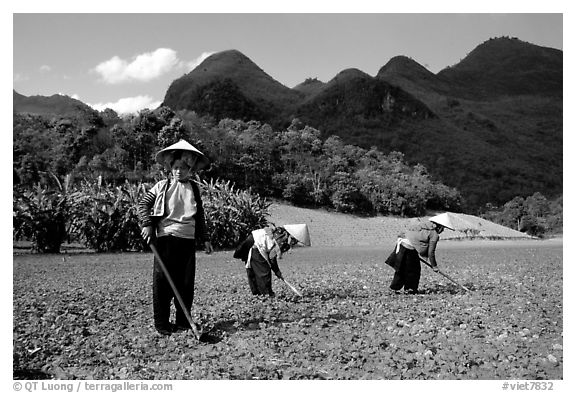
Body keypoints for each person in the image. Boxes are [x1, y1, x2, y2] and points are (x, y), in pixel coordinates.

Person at [138, 140, 213, 335]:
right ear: (171, 169)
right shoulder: (162, 186)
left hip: (187, 241)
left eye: (183, 168)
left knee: (186, 283)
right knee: (162, 282)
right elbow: (142, 205)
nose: (179, 171)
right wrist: (147, 224)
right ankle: (162, 325)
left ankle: (182, 322)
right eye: (176, 167)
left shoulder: (194, 189)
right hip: (166, 238)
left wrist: (205, 238)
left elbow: (200, 215)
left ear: (190, 170)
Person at [385, 213, 454, 294]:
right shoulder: (434, 235)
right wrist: (434, 266)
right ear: (440, 227)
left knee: (401, 268)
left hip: (402, 245)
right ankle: (410, 290)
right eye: (443, 228)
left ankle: (394, 288)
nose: (442, 230)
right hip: (409, 248)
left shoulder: (424, 225)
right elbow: (431, 252)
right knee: (414, 270)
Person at [233, 224, 310, 296]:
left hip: (255, 244)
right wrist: (277, 271)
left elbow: (271, 255)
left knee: (256, 270)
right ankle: (266, 295)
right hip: (256, 245)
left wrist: (277, 271)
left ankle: (258, 294)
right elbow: (272, 257)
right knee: (264, 271)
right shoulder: (282, 238)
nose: (295, 243)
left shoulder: (281, 233)